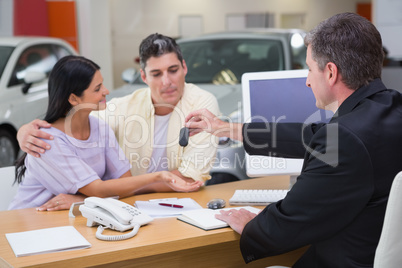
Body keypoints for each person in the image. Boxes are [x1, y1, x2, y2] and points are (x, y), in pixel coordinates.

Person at [185, 13, 402, 267]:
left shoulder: (345, 140)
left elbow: (283, 227)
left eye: (310, 69)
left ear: (330, 72)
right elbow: (312, 136)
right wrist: (226, 128)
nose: (308, 80)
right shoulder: (390, 108)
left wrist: (253, 225)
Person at [16, 34, 220, 210]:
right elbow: (70, 124)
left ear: (184, 67)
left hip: (133, 205)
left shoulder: (202, 103)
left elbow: (189, 178)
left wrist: (89, 199)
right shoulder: (122, 108)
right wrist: (23, 131)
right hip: (41, 219)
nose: (166, 82)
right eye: (156, 74)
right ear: (143, 76)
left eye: (173, 70)